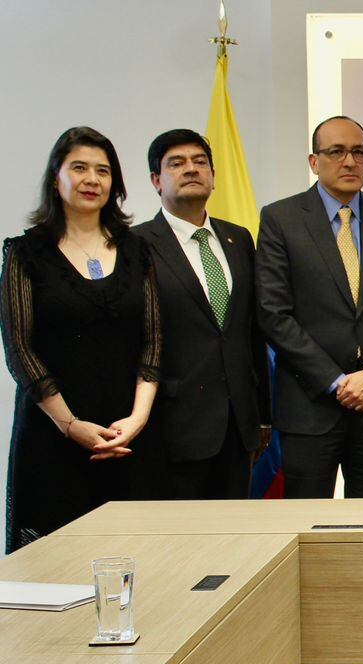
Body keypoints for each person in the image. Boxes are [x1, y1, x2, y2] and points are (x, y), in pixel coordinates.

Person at [257, 115, 363, 664]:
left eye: (358, 152)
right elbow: (274, 314)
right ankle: (295, 661)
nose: (347, 161)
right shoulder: (280, 219)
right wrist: (334, 381)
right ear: (314, 161)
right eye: (334, 152)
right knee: (303, 532)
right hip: (310, 405)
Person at [1, 126, 166, 552]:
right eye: (79, 168)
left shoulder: (137, 250)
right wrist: (70, 425)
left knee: (135, 563)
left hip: (127, 435)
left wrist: (137, 420)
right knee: (51, 568)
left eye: (103, 170)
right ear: (56, 179)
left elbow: (153, 341)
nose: (92, 179)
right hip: (52, 436)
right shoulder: (25, 254)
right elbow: (20, 350)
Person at [133, 129, 270, 500]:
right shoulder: (135, 245)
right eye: (176, 164)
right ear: (156, 180)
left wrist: (263, 414)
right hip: (171, 424)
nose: (191, 170)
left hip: (238, 423)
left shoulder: (238, 238)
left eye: (200, 162)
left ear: (213, 175)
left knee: (235, 540)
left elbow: (251, 331)